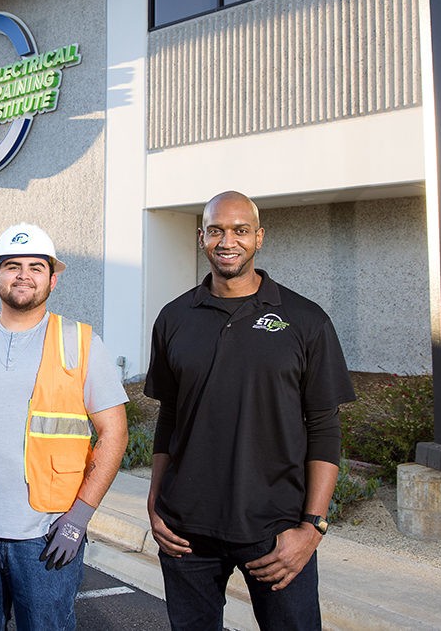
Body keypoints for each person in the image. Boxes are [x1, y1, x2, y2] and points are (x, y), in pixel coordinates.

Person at [144, 190, 356, 630]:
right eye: (217, 230)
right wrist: (155, 502)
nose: (228, 241)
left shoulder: (305, 319)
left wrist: (312, 526)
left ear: (259, 237)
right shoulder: (173, 317)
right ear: (202, 236)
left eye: (240, 230)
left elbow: (324, 428)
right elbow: (169, 418)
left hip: (275, 529)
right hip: (186, 531)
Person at [0, 223, 129, 630]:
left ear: (54, 277)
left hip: (45, 537)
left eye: (36, 266)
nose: (24, 275)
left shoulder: (81, 343)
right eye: (12, 266)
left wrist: (79, 519)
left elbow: (114, 432)